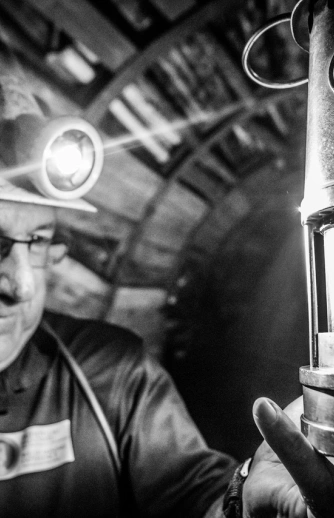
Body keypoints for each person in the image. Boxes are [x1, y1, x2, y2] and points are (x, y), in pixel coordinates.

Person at [0, 48, 239, 517]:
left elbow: (199, 497)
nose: (22, 286)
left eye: (38, 241)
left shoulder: (111, 376)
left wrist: (249, 501)